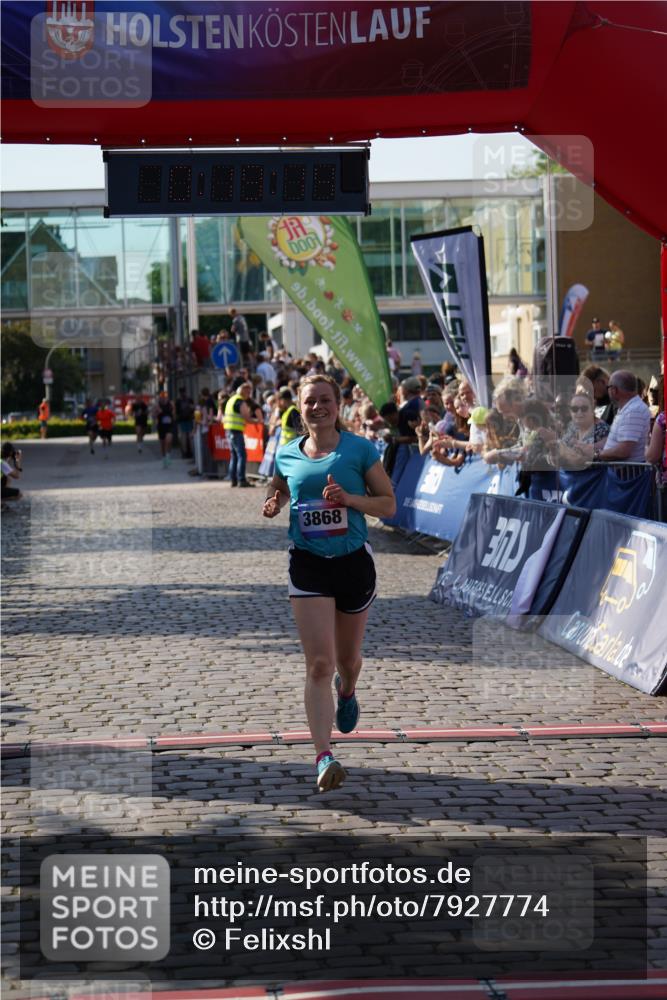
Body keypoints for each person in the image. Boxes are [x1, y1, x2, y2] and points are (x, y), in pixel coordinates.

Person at [262, 374, 396, 792]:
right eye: (309, 402)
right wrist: (274, 500)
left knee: (347, 661)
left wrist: (351, 501)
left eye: (325, 400)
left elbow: (389, 504)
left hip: (353, 563)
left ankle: (349, 690)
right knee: (319, 663)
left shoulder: (359, 449)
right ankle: (324, 756)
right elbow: (281, 484)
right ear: (298, 408)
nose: (317, 407)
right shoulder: (287, 453)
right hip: (308, 564)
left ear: (338, 406)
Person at [595, 370, 650, 463]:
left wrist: (597, 455)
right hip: (622, 475)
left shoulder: (633, 410)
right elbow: (615, 441)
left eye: (608, 387)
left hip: (626, 476)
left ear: (614, 390)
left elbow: (623, 451)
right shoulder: (629, 408)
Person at [550, 392, 610, 469]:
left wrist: (565, 452)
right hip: (570, 479)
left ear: (592, 408)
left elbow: (579, 462)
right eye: (574, 409)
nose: (579, 412)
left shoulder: (602, 429)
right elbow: (557, 459)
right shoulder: (572, 427)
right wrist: (552, 448)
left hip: (593, 478)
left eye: (584, 408)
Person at [223, 380, 260, 487]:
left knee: (234, 456)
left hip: (229, 431)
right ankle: (241, 480)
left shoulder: (231, 400)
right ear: (243, 391)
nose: (249, 395)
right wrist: (257, 421)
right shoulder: (240, 401)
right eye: (248, 392)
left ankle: (233, 480)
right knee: (241, 456)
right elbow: (246, 417)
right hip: (236, 431)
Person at [155, 392, 175, 467]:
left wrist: (173, 410)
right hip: (161, 426)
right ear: (160, 398)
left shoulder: (171, 404)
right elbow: (153, 415)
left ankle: (168, 456)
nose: (164, 398)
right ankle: (164, 458)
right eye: (162, 397)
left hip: (169, 426)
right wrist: (157, 412)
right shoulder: (158, 405)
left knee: (168, 440)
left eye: (165, 397)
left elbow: (174, 415)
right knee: (163, 444)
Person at [175, 387, 195, 459]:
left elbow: (176, 412)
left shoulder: (178, 401)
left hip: (181, 420)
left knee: (183, 437)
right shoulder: (189, 400)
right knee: (189, 436)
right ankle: (191, 452)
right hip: (189, 419)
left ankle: (184, 452)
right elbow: (193, 409)